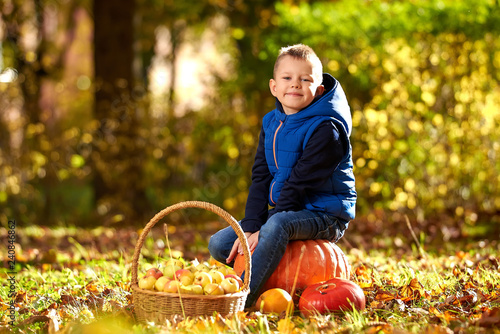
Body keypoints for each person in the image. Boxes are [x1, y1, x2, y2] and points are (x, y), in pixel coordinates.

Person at [208, 44, 357, 308]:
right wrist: (253, 226)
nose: (295, 85)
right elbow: (260, 177)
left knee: (277, 227)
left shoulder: (328, 129)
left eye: (305, 79)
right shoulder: (271, 123)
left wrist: (267, 227)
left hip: (326, 215)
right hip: (289, 210)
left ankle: (242, 300)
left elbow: (298, 184)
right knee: (220, 243)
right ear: (274, 86)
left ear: (319, 88)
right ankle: (270, 281)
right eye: (287, 78)